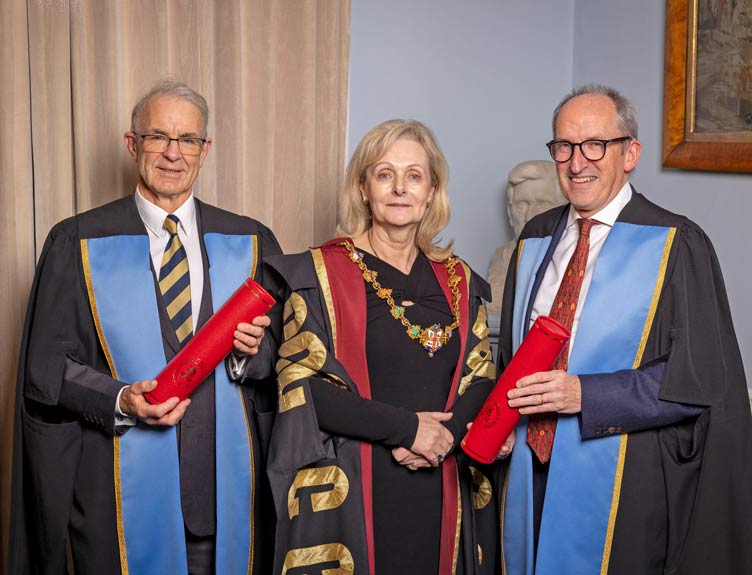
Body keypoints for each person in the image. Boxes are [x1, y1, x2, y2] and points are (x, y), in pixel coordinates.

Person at [8, 79, 281, 575]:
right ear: (133, 144)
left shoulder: (251, 241)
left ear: (205, 149)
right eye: (158, 137)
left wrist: (249, 352)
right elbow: (46, 371)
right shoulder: (78, 242)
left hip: (225, 509)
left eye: (188, 140)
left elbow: (285, 360)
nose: (173, 153)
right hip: (116, 508)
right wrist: (120, 399)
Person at [496, 84, 752, 575]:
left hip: (622, 482)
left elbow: (699, 382)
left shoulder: (678, 244)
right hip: (529, 471)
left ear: (630, 153)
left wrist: (584, 395)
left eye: (595, 145)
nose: (577, 163)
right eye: (563, 147)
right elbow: (514, 361)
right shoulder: (535, 238)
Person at [265, 119, 500, 574]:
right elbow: (302, 388)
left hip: (441, 475)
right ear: (363, 186)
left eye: (414, 175)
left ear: (432, 190)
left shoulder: (460, 280)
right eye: (384, 173)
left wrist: (443, 437)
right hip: (355, 481)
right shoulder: (318, 275)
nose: (399, 188)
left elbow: (481, 377)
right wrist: (406, 430)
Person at [487, 160, 564, 317]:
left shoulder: (574, 261)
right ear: (510, 212)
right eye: (521, 205)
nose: (529, 216)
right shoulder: (501, 258)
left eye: (542, 204)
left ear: (563, 210)